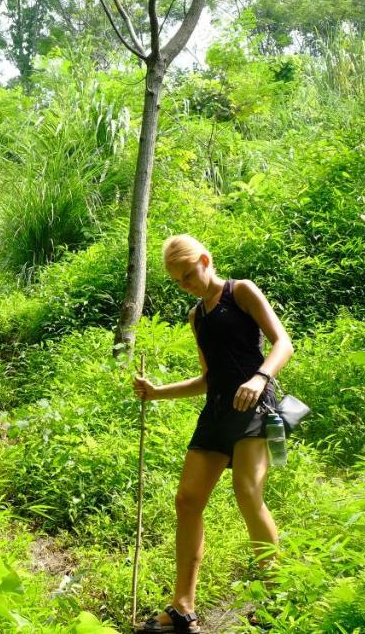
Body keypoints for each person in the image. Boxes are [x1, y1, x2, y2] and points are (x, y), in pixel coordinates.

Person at [131, 234, 293, 634]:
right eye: (178, 281)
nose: (186, 284)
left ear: (206, 260)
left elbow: (283, 344)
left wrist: (259, 377)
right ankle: (183, 608)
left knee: (248, 493)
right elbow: (207, 378)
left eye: (189, 275)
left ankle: (280, 600)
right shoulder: (197, 317)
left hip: (255, 406)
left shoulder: (241, 292)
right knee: (187, 501)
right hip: (217, 411)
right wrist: (157, 392)